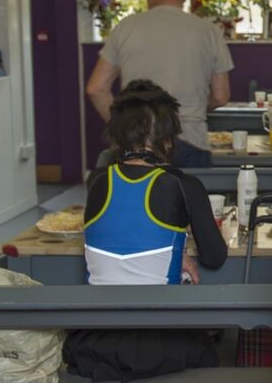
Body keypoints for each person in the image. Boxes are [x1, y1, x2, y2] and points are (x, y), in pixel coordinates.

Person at [64, 80, 228, 380]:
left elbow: (126, 228)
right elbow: (215, 257)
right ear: (168, 139)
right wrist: (177, 251)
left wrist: (169, 249)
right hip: (160, 339)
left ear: (119, 136)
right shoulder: (183, 185)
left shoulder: (97, 181)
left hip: (97, 339)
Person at [86, 0, 233, 168]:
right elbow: (221, 96)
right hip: (191, 138)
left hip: (138, 142)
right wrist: (193, 108)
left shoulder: (125, 28)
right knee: (190, 190)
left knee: (139, 190)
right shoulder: (208, 31)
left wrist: (125, 126)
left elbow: (96, 89)